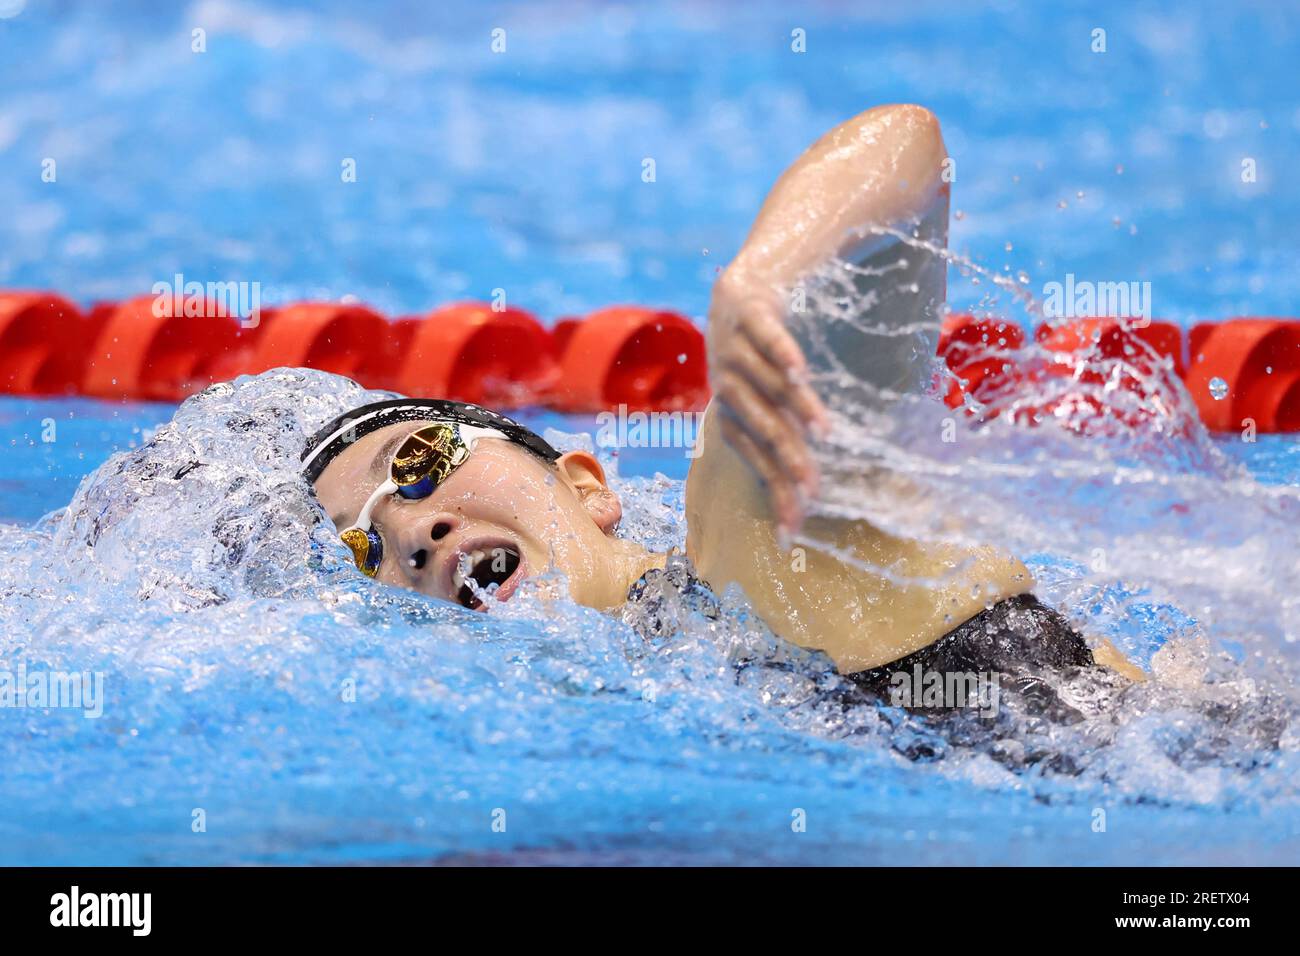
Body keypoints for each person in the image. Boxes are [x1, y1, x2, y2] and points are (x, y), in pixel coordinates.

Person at [304, 104, 1143, 723]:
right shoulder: (638, 704)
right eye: (363, 546)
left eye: (419, 464)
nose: (412, 532)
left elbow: (906, 144)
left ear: (589, 485)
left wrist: (764, 282)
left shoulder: (751, 537)